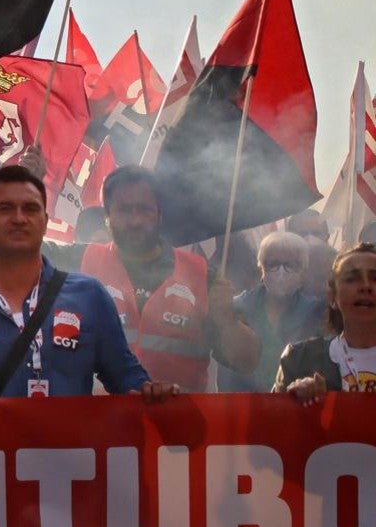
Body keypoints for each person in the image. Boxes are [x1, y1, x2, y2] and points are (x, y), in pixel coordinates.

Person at [0, 165, 175, 404]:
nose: (19, 218)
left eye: (31, 208)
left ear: (45, 221)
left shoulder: (89, 296)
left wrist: (150, 392)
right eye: (5, 208)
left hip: (70, 457)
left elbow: (125, 376)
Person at [37, 163, 260, 393]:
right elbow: (18, 251)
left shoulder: (202, 276)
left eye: (144, 209)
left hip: (176, 424)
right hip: (100, 424)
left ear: (159, 214)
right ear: (107, 216)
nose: (135, 221)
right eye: (124, 210)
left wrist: (228, 321)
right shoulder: (79, 262)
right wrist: (27, 184)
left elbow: (247, 361)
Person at [219, 232, 327, 392]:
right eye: (272, 264)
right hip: (240, 403)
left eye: (291, 265)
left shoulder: (317, 312)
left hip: (294, 404)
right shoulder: (237, 306)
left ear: (304, 272)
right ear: (260, 267)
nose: (281, 271)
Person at [275, 243, 376, 402]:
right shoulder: (299, 359)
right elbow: (269, 419)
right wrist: (294, 399)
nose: (366, 286)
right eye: (352, 279)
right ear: (332, 298)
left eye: (375, 278)